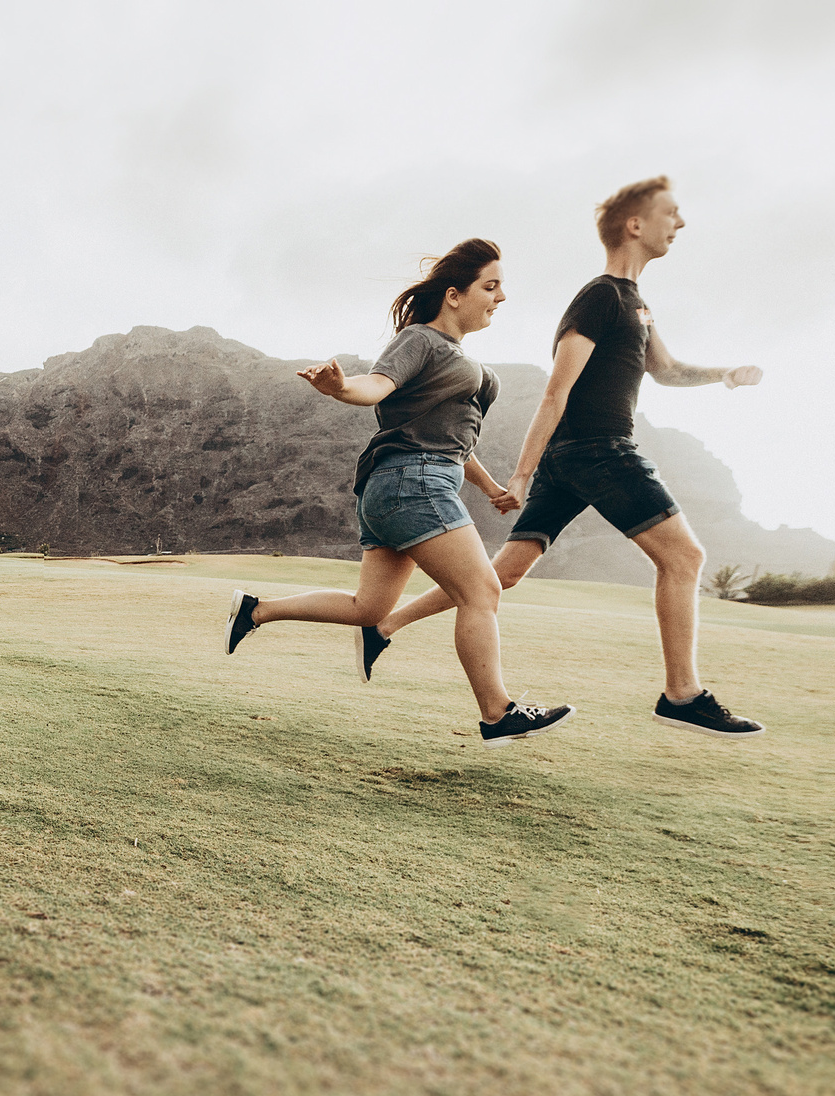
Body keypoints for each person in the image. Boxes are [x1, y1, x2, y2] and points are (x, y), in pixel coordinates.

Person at [365, 176, 767, 737]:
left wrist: (724, 373)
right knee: (685, 558)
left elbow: (667, 371)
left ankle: (384, 626)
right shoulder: (601, 296)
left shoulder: (637, 304)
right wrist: (522, 474)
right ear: (634, 225)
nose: (680, 223)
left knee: (505, 571)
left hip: (572, 458)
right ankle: (682, 694)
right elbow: (558, 388)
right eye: (670, 213)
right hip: (599, 449)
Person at [224, 239, 575, 748]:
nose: (500, 298)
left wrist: (492, 486)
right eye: (490, 286)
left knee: (370, 609)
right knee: (482, 591)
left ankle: (254, 610)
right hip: (414, 482)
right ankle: (498, 714)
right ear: (454, 295)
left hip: (400, 485)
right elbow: (376, 385)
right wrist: (339, 388)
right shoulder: (421, 340)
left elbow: (454, 443)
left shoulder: (454, 359)